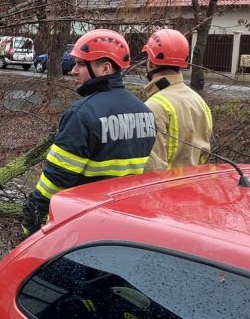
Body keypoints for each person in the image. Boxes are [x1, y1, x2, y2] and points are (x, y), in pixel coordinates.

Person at [21, 29, 156, 235]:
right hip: (123, 222)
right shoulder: (145, 112)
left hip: (82, 223)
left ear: (105, 68)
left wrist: (35, 210)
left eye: (81, 64)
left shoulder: (82, 114)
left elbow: (58, 177)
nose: (74, 70)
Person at [142, 29, 213, 171]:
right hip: (194, 185)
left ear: (150, 63)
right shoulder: (199, 101)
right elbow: (204, 152)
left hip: (165, 189)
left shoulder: (154, 106)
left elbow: (152, 166)